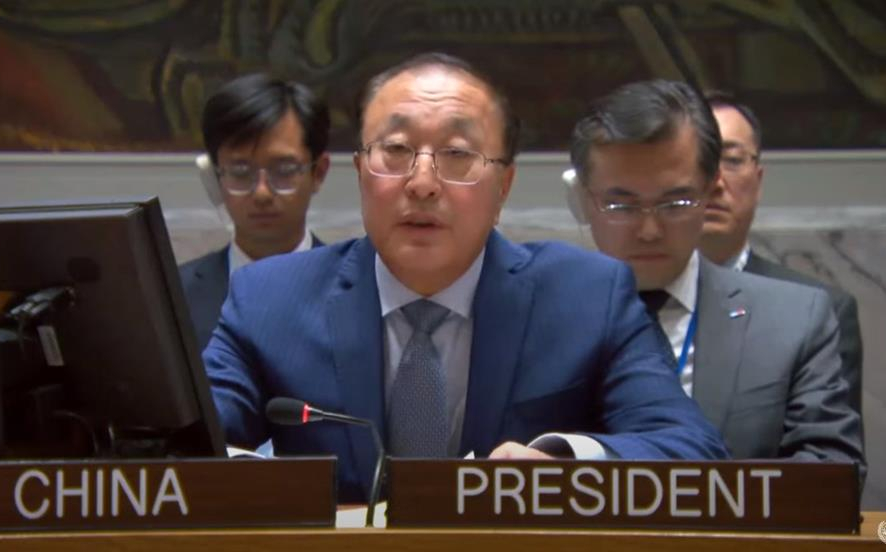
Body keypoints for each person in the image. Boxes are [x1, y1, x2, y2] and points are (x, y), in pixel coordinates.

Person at [204, 54, 727, 503]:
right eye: (396, 151)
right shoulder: (269, 300)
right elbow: (180, 450)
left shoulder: (587, 297)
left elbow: (691, 450)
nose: (422, 183)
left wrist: (563, 461)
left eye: (457, 155)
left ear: (504, 186)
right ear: (361, 171)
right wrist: (261, 483)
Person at [570, 79, 864, 479]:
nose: (649, 230)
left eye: (676, 203)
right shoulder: (541, 316)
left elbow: (833, 477)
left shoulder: (795, 319)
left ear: (709, 192)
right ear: (583, 200)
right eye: (621, 205)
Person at [700, 90, 864, 415]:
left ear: (758, 181)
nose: (716, 182)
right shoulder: (621, 302)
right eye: (700, 160)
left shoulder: (821, 311)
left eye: (732, 160)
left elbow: (830, 444)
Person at [180, 73, 330, 350]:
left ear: (318, 173)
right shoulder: (173, 295)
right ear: (214, 177)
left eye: (284, 170)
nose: (261, 193)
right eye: (240, 172)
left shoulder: (364, 292)